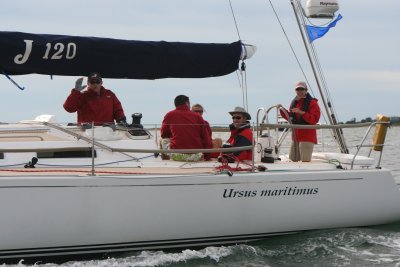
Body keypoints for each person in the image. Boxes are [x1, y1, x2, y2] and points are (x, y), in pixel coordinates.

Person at [277, 81, 321, 162]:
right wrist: (282, 109)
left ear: (306, 90)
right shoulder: (294, 102)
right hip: (296, 137)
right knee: (292, 160)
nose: (300, 91)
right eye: (298, 89)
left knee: (305, 161)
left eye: (302, 89)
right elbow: (290, 118)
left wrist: (302, 113)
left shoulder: (313, 103)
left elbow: (315, 119)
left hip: (307, 137)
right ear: (295, 91)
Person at [161, 95, 213, 160]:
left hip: (177, 156)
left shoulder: (169, 115)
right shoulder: (197, 117)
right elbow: (206, 139)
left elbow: (163, 134)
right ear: (187, 103)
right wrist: (207, 157)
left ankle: (165, 160)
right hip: (196, 156)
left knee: (163, 140)